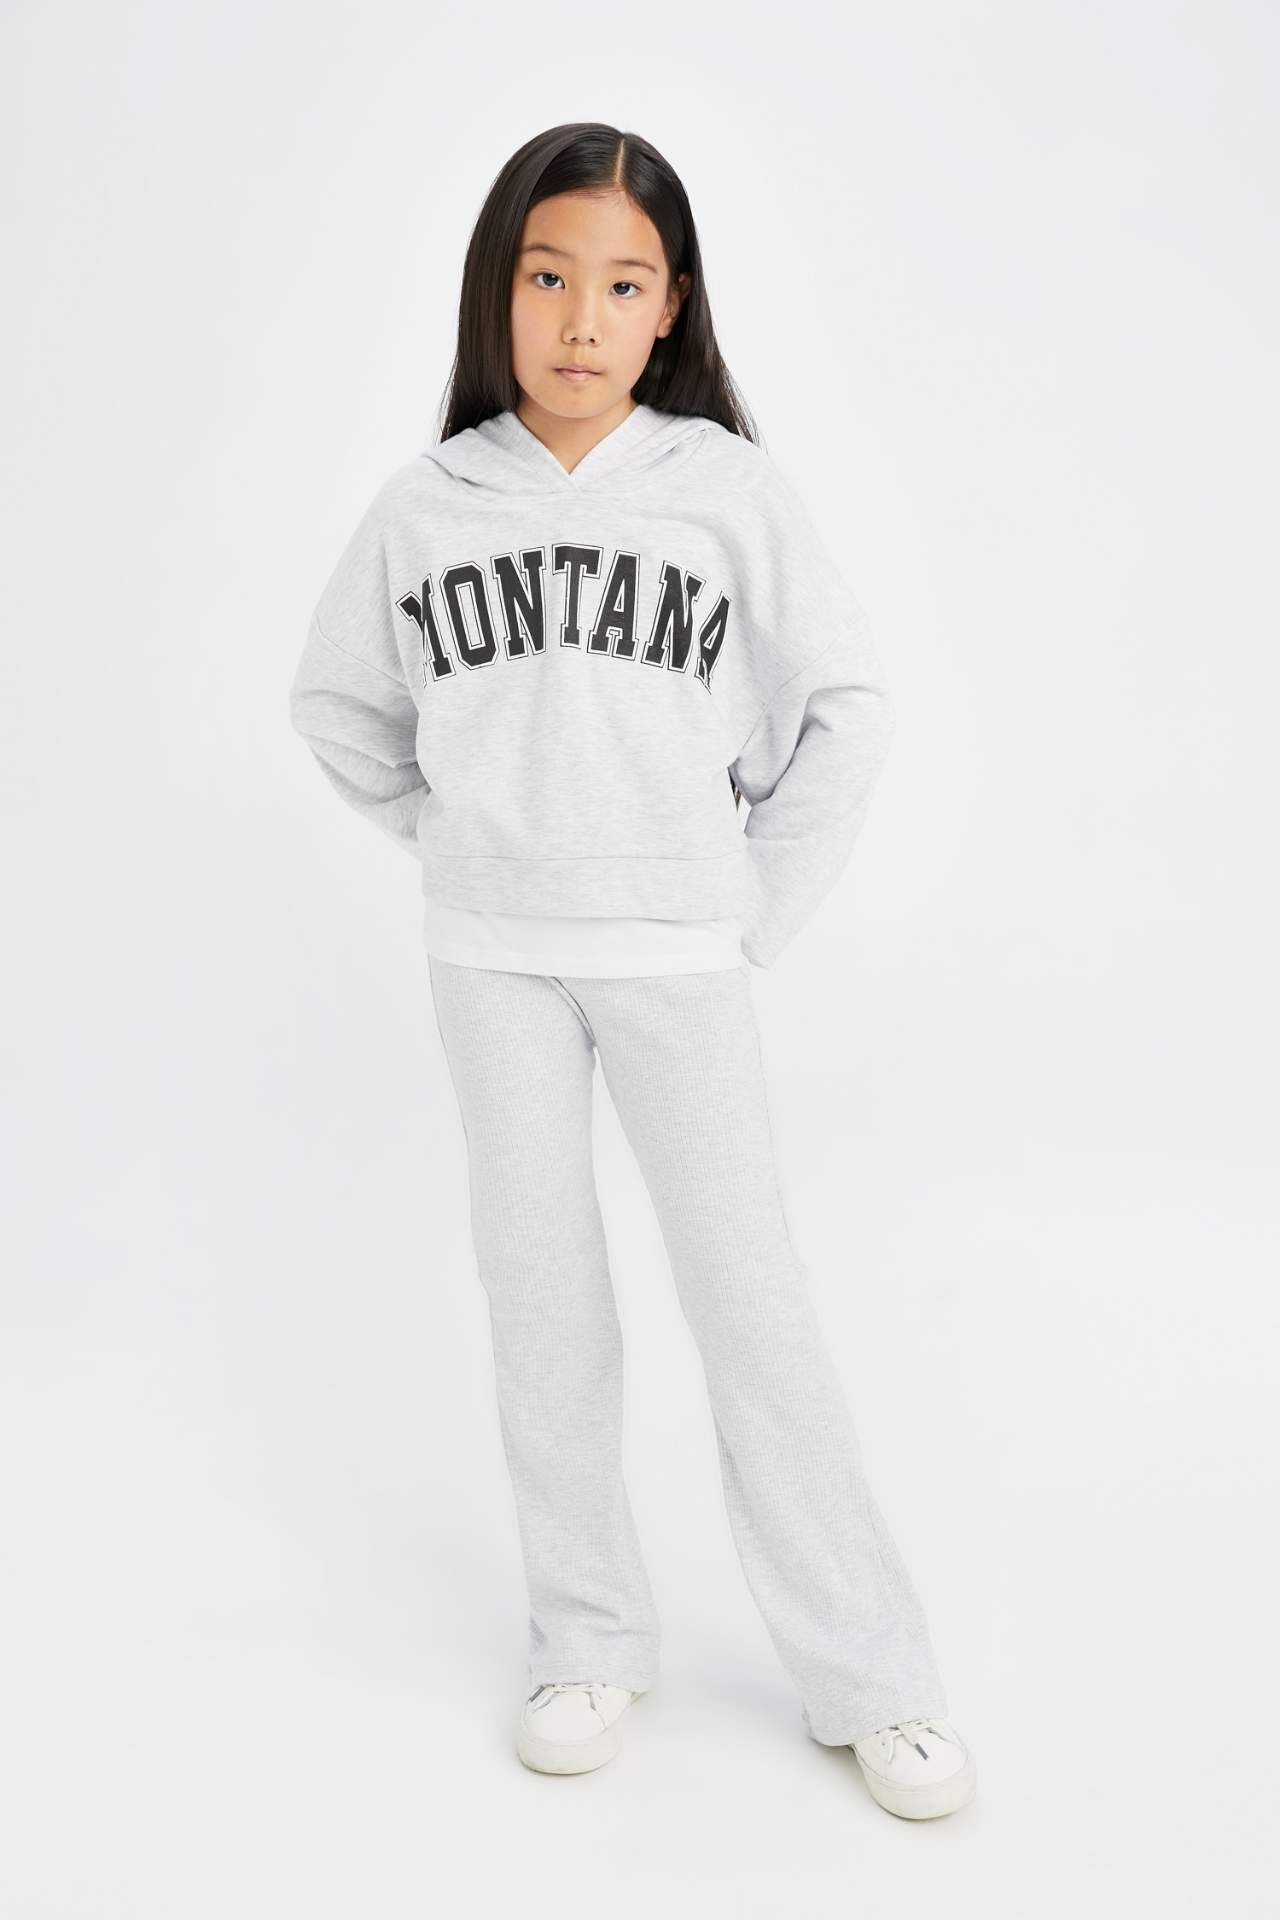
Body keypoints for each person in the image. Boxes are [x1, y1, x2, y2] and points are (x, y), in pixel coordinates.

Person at [288, 120, 976, 1821]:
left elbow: (848, 707)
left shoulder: (723, 490)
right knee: (544, 1310)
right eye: (547, 277)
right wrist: (462, 836)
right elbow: (338, 708)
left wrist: (752, 905)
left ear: (671, 308)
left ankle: (872, 1676)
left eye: (621, 284)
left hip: (678, 956)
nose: (580, 320)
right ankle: (585, 1638)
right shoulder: (428, 504)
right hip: (491, 962)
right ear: (498, 290)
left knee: (752, 1307)